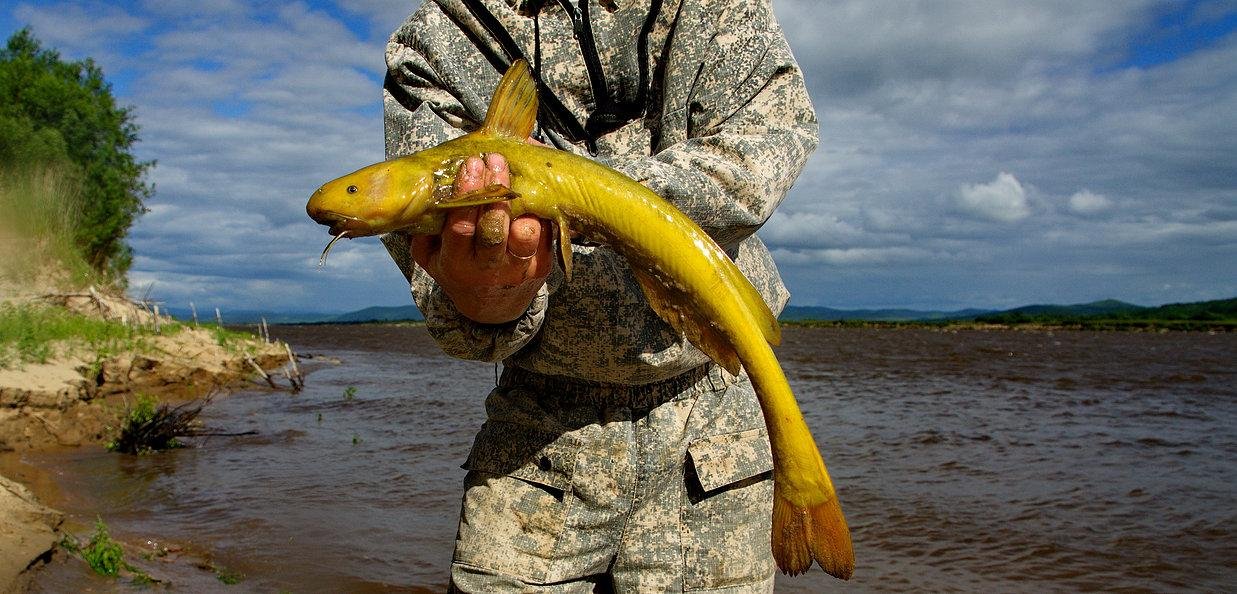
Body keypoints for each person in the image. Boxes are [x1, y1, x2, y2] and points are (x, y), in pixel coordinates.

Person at [379, 1, 818, 591]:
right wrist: (487, 289)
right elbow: (452, 306)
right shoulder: (434, 42)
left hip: (714, 420)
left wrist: (574, 193)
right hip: (536, 441)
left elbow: (766, 144)